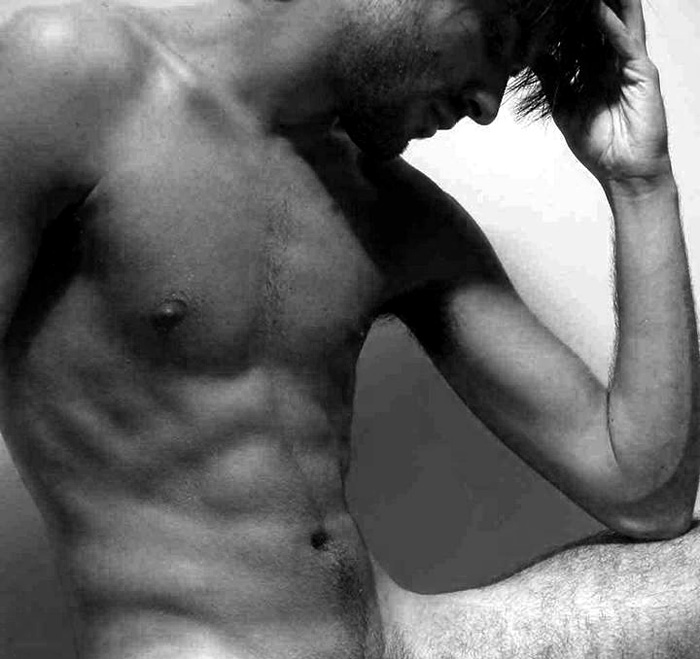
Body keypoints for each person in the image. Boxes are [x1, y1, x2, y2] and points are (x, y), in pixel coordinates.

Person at [0, 0, 697, 657]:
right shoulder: (68, 74)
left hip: (399, 640)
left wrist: (640, 184)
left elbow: (647, 495)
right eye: (496, 41)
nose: (488, 105)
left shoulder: (387, 209)